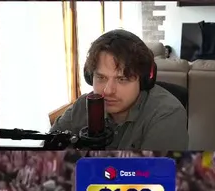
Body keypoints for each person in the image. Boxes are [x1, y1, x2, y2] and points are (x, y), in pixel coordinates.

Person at [50, 29, 187, 151]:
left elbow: (155, 171)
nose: (108, 91)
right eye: (101, 77)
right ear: (90, 76)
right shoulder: (81, 107)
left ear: (144, 80)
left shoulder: (167, 114)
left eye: (122, 79)